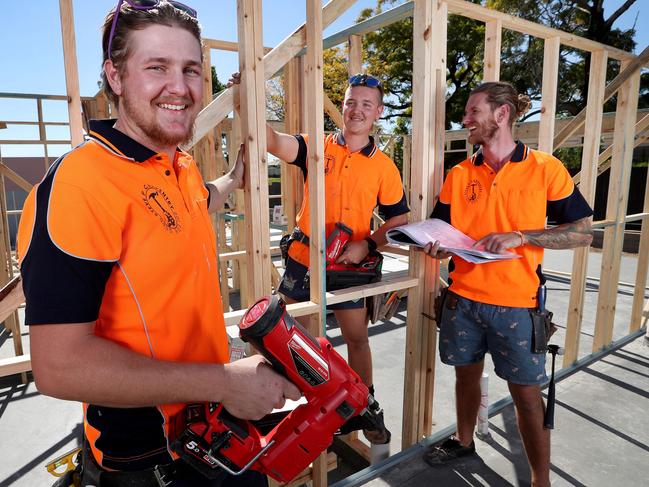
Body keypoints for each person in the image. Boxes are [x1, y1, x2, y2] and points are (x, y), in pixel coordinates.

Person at [18, 2, 300, 486]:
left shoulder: (179, 167)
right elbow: (58, 367)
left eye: (191, 69)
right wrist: (226, 382)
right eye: (156, 67)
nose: (180, 86)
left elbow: (195, 202)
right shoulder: (81, 183)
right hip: (147, 458)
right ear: (115, 76)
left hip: (211, 426)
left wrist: (233, 178)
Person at [422, 81, 593, 487]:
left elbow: (582, 232)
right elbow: (442, 230)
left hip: (517, 305)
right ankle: (464, 441)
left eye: (472, 112)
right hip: (461, 300)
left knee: (527, 398)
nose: (465, 120)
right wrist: (437, 247)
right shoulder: (460, 172)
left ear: (501, 114)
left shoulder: (545, 168)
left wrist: (523, 236)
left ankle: (539, 480)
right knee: (465, 375)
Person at [229, 72, 409, 443]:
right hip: (305, 257)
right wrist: (247, 95)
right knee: (287, 336)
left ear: (378, 112)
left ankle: (364, 408)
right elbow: (272, 141)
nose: (356, 110)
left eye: (366, 104)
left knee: (356, 338)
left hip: (350, 263)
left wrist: (369, 245)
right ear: (342, 106)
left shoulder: (383, 166)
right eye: (350, 102)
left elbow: (399, 218)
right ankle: (304, 408)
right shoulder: (316, 147)